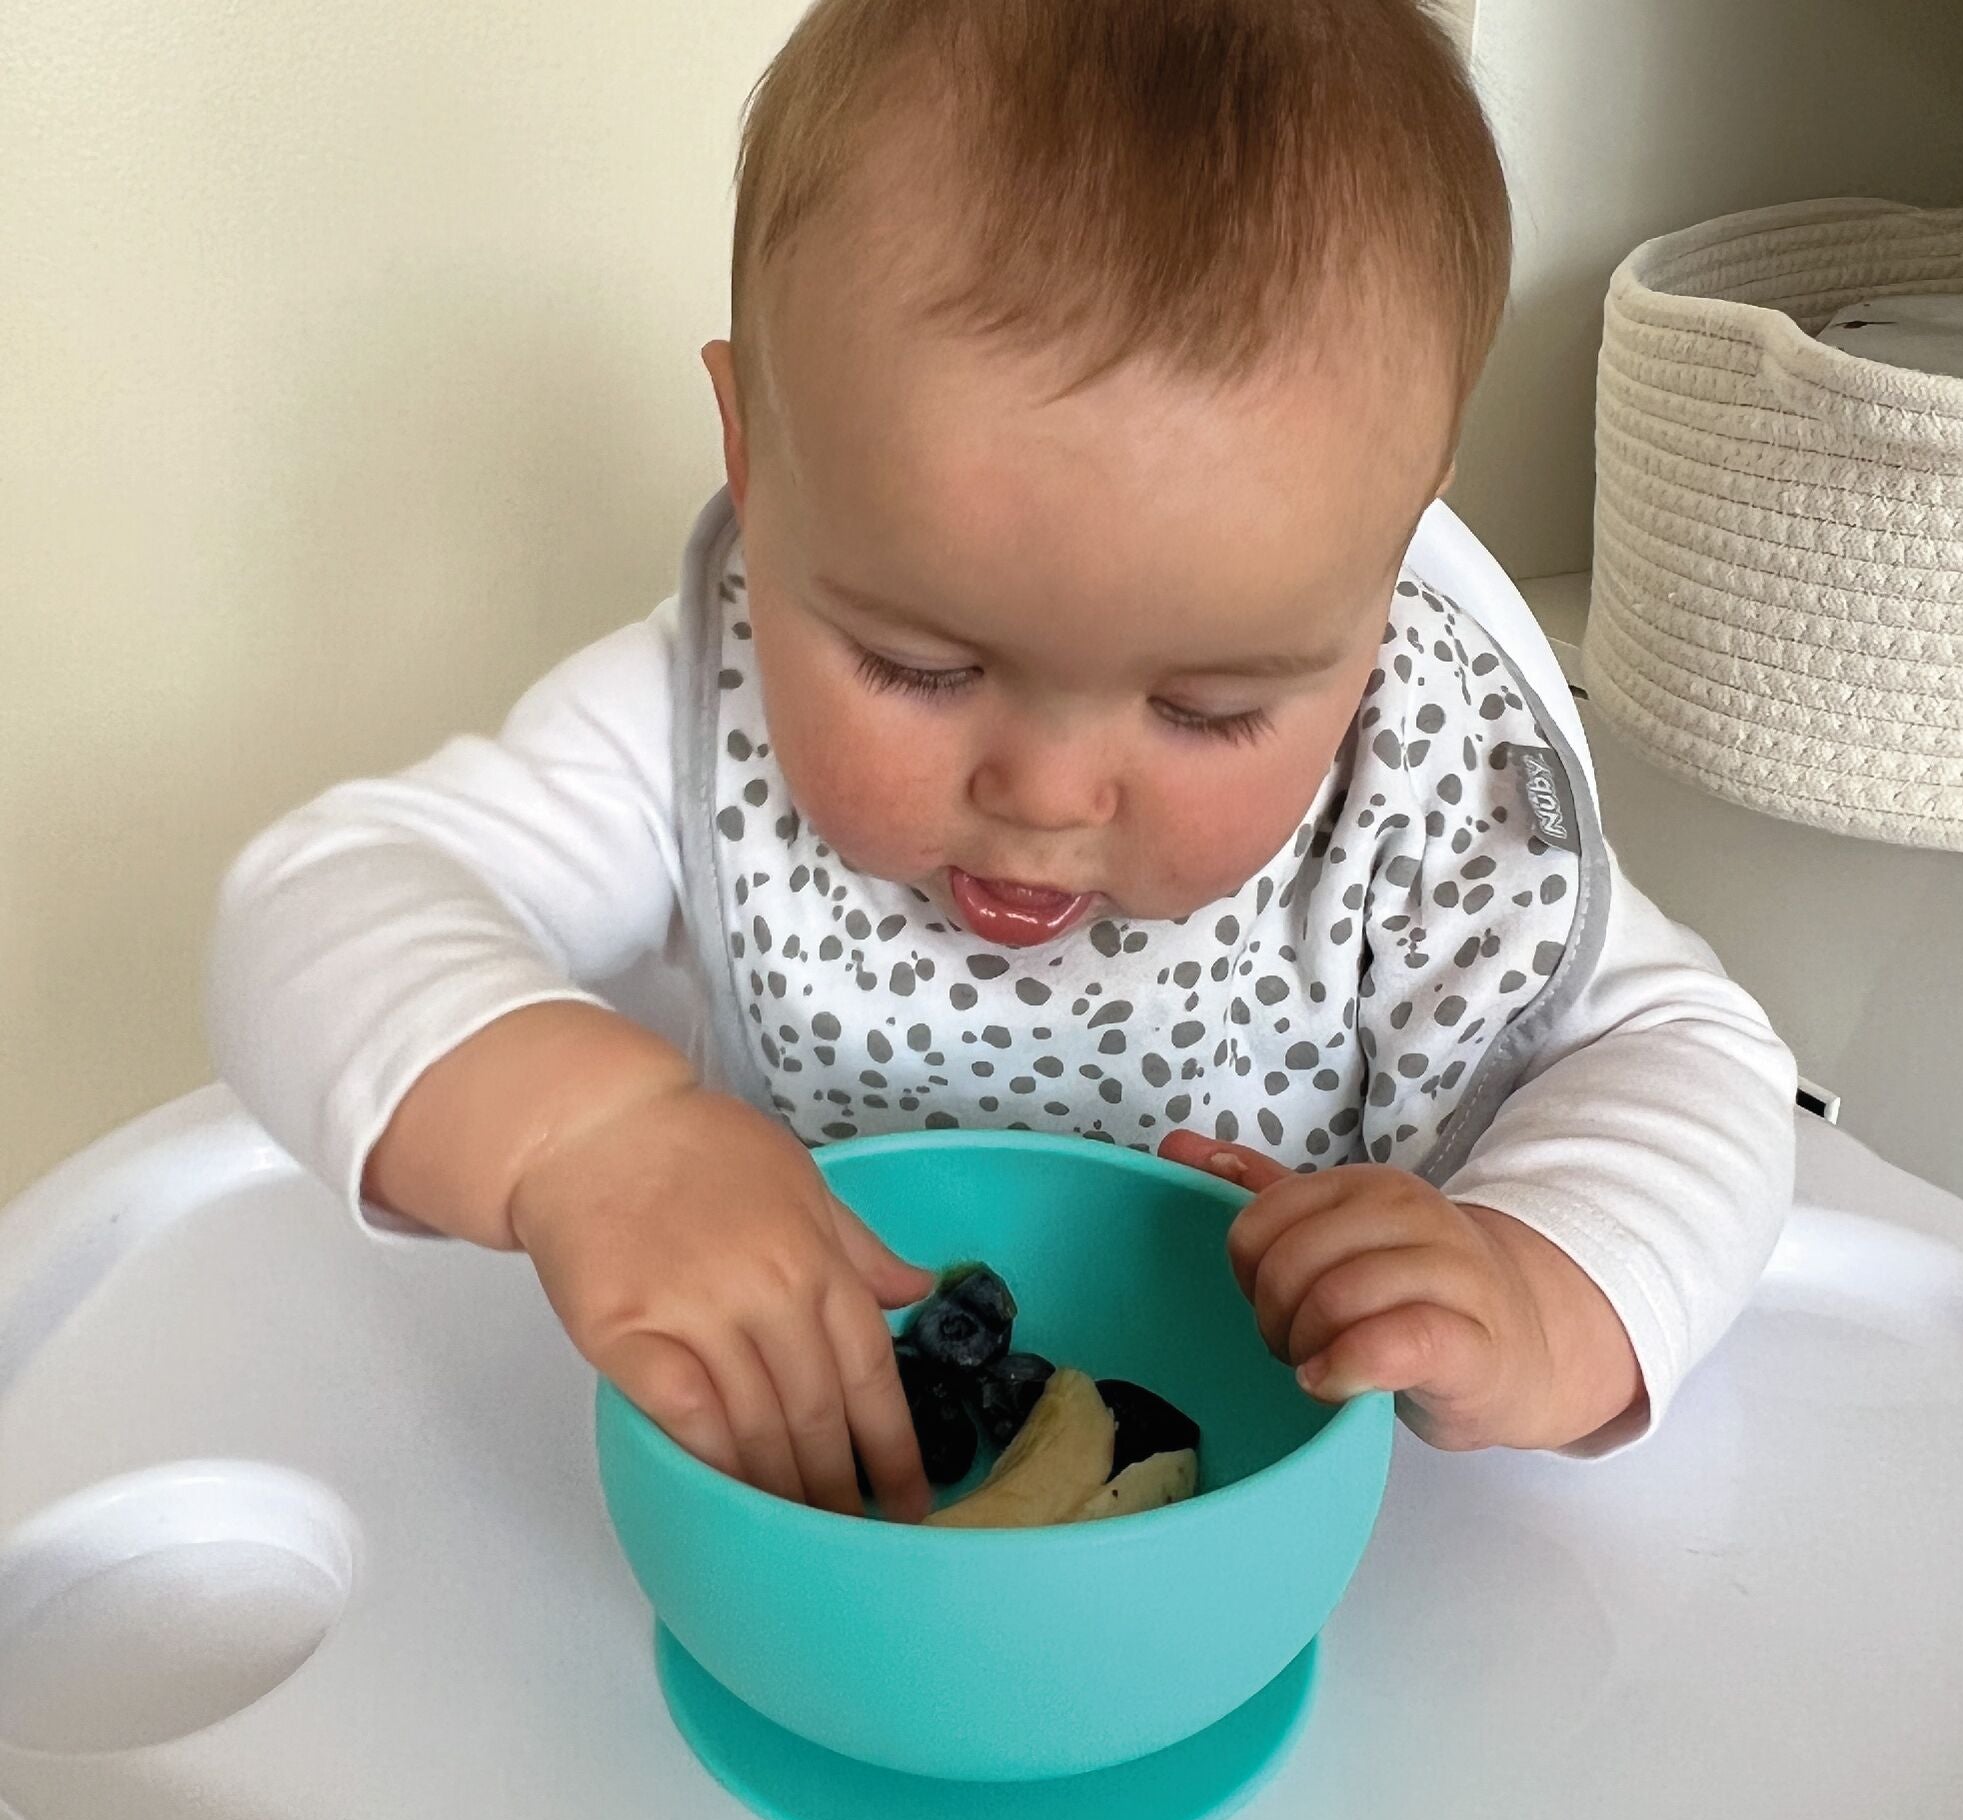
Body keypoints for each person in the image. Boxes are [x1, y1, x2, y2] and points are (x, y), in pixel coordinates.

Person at [209, 0, 1796, 1525]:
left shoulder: (1422, 776)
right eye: (920, 667)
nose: (1045, 795)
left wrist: (1537, 1281)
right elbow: (323, 901)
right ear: (754, 459)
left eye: (1206, 710)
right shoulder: (702, 705)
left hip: (1317, 1522)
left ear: (1381, 568)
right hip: (825, 1489)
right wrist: (575, 1135)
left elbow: (1698, 1061)